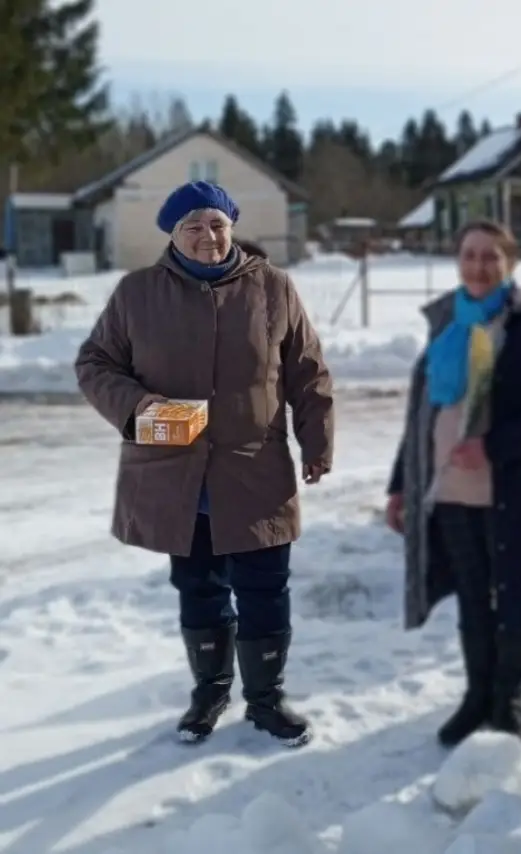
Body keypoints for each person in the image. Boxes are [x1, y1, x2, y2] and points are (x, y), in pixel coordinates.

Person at [75, 181, 334, 748]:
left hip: (255, 470)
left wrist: (317, 442)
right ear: (172, 232)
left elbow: (308, 372)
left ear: (232, 227)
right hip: (176, 475)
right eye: (193, 225)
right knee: (199, 589)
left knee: (266, 587)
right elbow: (95, 363)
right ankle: (210, 690)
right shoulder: (137, 294)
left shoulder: (274, 288)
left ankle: (266, 700)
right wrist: (141, 409)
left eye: (217, 223)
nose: (207, 235)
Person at [386, 219, 521, 747]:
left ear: (509, 264)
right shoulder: (445, 326)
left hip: (515, 492)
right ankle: (477, 697)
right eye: (470, 255)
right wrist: (400, 484)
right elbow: (422, 414)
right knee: (474, 599)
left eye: (489, 257)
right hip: (450, 491)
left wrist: (492, 447)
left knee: (513, 599)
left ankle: (509, 700)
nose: (478, 266)